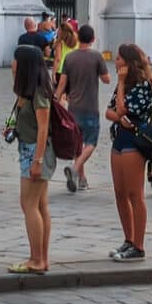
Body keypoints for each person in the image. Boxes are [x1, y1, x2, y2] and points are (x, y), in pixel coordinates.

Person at [106, 44, 152, 260]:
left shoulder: (144, 86)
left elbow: (122, 109)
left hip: (135, 141)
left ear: (128, 62)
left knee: (135, 194)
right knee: (120, 193)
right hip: (119, 138)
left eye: (118, 59)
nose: (115, 62)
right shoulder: (124, 85)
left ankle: (139, 244)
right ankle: (128, 240)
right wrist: (119, 118)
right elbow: (110, 112)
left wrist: (120, 82)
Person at [9, 43, 55, 274]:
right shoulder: (26, 90)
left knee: (29, 204)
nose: (12, 63)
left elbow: (43, 129)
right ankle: (40, 258)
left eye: (15, 59)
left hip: (35, 152)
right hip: (28, 149)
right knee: (38, 205)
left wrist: (37, 161)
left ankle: (37, 259)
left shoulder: (39, 91)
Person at [56, 24, 110, 193]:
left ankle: (82, 179)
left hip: (73, 108)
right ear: (93, 39)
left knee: (78, 145)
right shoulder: (96, 57)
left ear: (78, 38)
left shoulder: (70, 57)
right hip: (90, 106)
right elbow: (106, 79)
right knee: (91, 142)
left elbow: (62, 82)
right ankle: (75, 169)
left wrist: (56, 99)